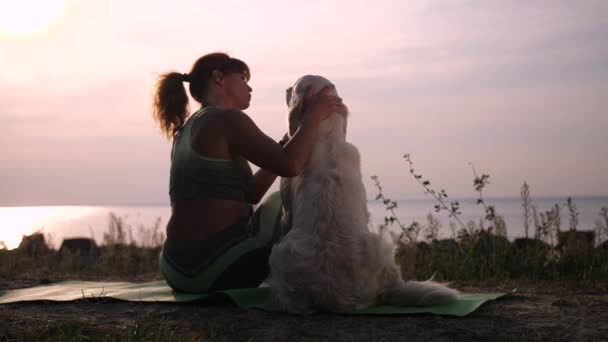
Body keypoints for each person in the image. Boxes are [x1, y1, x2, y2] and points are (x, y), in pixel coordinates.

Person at [152, 52, 341, 293]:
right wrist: (313, 117)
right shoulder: (227, 119)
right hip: (212, 270)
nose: (249, 87)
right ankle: (319, 280)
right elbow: (291, 166)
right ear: (219, 78)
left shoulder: (185, 131)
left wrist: (285, 143)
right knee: (277, 203)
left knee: (267, 205)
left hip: (175, 268)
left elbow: (250, 193)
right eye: (242, 78)